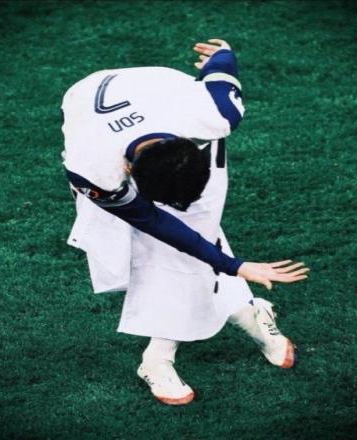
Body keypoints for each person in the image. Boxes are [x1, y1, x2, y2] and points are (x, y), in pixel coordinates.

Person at [61, 39, 309, 405]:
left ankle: (158, 358)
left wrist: (221, 55)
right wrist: (235, 266)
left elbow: (222, 71)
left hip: (162, 93)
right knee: (128, 246)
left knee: (184, 247)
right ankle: (246, 312)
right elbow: (155, 222)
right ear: (127, 170)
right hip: (87, 100)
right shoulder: (93, 167)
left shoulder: (213, 115)